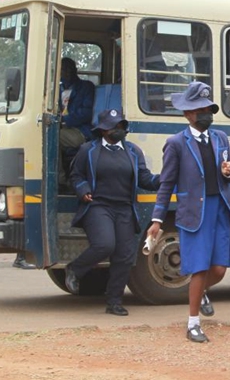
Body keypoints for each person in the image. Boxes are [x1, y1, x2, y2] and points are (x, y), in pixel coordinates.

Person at [147, 82, 230, 343]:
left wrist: (229, 172)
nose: (206, 115)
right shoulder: (176, 143)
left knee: (219, 269)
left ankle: (201, 293)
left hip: (221, 208)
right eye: (200, 110)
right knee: (198, 268)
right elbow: (166, 183)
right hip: (194, 212)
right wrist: (157, 219)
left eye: (209, 109)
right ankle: (192, 324)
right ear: (188, 114)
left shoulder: (220, 137)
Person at [65, 109, 160, 315]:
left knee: (125, 255)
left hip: (124, 208)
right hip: (98, 206)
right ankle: (75, 269)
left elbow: (145, 179)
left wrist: (164, 179)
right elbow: (75, 176)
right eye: (113, 127)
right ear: (103, 130)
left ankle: (114, 301)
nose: (118, 130)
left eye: (121, 126)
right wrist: (82, 189)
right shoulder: (87, 150)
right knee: (105, 244)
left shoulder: (133, 151)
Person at [59, 57, 95, 187]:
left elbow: (87, 113)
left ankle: (61, 180)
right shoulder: (58, 90)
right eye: (63, 70)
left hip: (82, 131)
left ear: (75, 70)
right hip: (64, 129)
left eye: (69, 69)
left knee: (53, 139)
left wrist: (64, 120)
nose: (66, 73)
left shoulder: (86, 87)